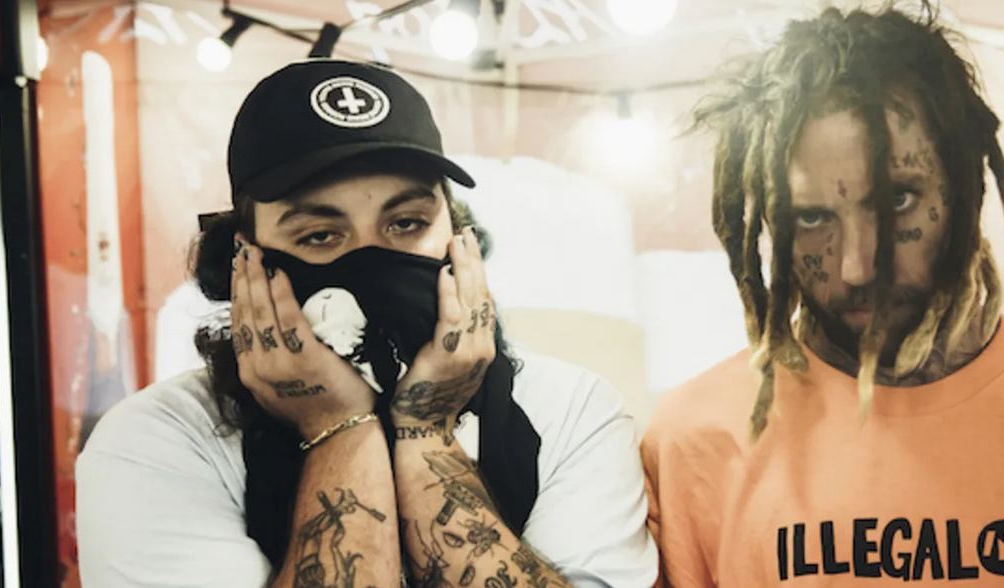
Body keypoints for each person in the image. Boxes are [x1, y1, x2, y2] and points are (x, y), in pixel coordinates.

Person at [641, 5, 1004, 587]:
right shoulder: (691, 444)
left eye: (898, 201)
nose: (857, 267)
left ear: (966, 190)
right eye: (811, 217)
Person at [76, 59, 657, 587]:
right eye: (319, 235)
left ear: (459, 239)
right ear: (243, 262)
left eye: (406, 224)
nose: (371, 258)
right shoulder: (160, 442)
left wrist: (425, 427)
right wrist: (339, 426)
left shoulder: (570, 412)